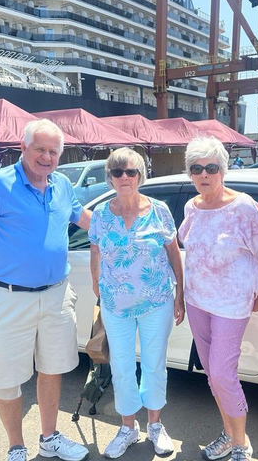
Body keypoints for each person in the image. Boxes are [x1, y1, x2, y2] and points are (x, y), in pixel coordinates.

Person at [0, 119, 91, 461]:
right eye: (39, 149)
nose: (47, 157)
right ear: (22, 148)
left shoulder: (63, 184)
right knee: (7, 377)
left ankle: (50, 438)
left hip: (56, 295)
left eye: (54, 151)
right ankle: (16, 446)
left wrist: (130, 225)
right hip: (10, 298)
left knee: (52, 368)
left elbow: (85, 218)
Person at [178, 137, 258, 461]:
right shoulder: (191, 207)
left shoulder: (243, 208)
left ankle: (240, 445)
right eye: (197, 168)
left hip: (231, 305)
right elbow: (185, 246)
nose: (204, 174)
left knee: (223, 374)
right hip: (197, 301)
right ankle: (230, 433)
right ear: (190, 173)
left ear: (222, 170)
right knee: (212, 375)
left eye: (211, 168)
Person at [88, 147, 185, 459]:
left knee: (155, 364)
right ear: (111, 178)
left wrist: (180, 292)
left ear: (140, 175)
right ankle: (128, 427)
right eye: (118, 172)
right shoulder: (102, 214)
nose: (124, 177)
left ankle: (155, 425)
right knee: (121, 366)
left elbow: (173, 252)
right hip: (116, 305)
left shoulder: (159, 210)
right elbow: (95, 252)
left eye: (130, 171)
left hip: (156, 302)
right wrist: (98, 291)